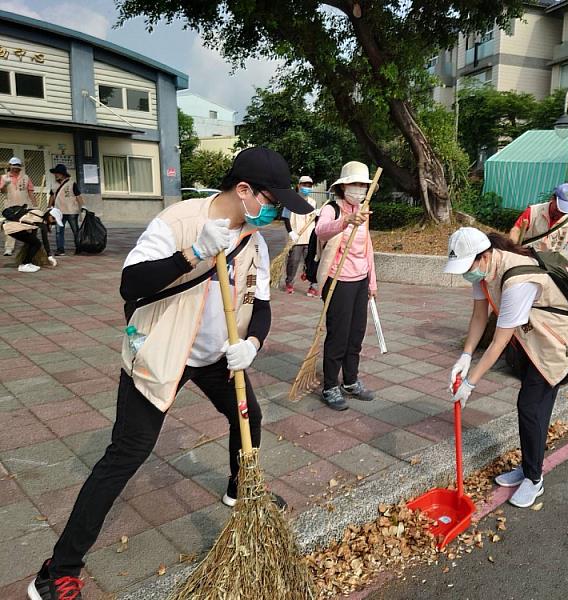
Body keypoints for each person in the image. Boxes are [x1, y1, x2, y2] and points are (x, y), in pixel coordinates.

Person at [27, 147, 313, 600]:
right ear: (243, 191)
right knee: (126, 454)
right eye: (272, 200)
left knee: (249, 418)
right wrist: (194, 253)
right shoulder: (177, 221)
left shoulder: (255, 242)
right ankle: (57, 569)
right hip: (162, 355)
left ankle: (241, 490)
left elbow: (261, 307)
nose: (276, 212)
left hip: (218, 357)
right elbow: (132, 283)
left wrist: (251, 344)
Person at [445, 227, 568, 508]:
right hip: (533, 342)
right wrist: (464, 355)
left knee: (531, 407)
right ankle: (529, 467)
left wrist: (471, 382)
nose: (466, 273)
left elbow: (499, 341)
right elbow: (478, 317)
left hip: (557, 345)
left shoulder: (517, 279)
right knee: (534, 408)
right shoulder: (485, 271)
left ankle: (534, 479)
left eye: (467, 266)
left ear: (485, 255)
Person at [314, 161, 377, 411]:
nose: (360, 189)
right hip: (338, 281)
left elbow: (368, 247)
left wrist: (372, 281)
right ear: (343, 186)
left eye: (363, 185)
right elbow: (321, 231)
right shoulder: (332, 209)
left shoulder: (365, 208)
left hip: (360, 280)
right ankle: (330, 385)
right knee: (338, 335)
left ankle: (350, 381)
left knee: (356, 334)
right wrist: (347, 221)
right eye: (355, 184)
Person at [509, 182, 568, 284]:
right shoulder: (533, 211)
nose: (561, 214)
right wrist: (512, 247)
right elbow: (516, 230)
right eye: (559, 209)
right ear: (552, 199)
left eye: (564, 211)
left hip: (553, 266)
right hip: (529, 260)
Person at [285, 175, 318, 296]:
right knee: (293, 261)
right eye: (305, 185)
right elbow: (285, 217)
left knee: (311, 262)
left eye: (309, 186)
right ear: (299, 186)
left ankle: (312, 286)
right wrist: (290, 232)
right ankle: (289, 282)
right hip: (296, 237)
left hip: (310, 237)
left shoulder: (312, 202)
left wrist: (318, 214)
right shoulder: (291, 201)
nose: (307, 188)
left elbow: (315, 219)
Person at [2, 206, 61, 272]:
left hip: (12, 227)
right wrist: (49, 256)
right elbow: (45, 240)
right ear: (49, 215)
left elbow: (33, 233)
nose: (52, 221)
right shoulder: (41, 221)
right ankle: (25, 265)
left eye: (54, 221)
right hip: (13, 228)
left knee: (34, 242)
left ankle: (27, 263)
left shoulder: (39, 213)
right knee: (37, 243)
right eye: (53, 218)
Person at [1, 156, 37, 256]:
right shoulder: (4, 177)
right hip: (10, 207)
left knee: (27, 226)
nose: (16, 168)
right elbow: (2, 191)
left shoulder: (26, 177)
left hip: (24, 206)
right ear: (10, 166)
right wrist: (5, 184)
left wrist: (35, 206)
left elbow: (30, 192)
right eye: (14, 166)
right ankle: (9, 249)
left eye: (18, 166)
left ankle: (28, 245)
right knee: (10, 227)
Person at [48, 164, 84, 256]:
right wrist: (49, 208)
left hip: (71, 211)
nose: (56, 175)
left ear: (63, 174)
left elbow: (78, 196)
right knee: (59, 231)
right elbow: (52, 196)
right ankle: (60, 249)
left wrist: (82, 206)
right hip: (59, 212)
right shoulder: (54, 185)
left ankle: (79, 247)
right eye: (55, 173)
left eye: (58, 173)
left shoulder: (72, 183)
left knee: (75, 230)